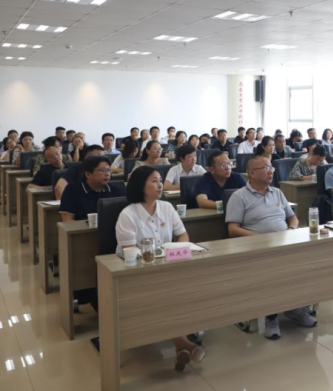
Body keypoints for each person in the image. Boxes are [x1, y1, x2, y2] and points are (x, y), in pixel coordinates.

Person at [115, 166, 205, 370]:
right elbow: (130, 251)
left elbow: (183, 235)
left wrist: (177, 251)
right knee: (165, 293)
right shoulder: (128, 215)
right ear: (141, 186)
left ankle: (182, 343)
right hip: (135, 272)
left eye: (160, 181)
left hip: (166, 266)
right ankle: (184, 343)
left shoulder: (166, 207)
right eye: (154, 181)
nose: (160, 185)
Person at [226, 156, 315, 339]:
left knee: (306, 262)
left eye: (271, 168)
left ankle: (296, 307)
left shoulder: (277, 192)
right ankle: (271, 316)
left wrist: (291, 230)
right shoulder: (239, 196)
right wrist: (260, 239)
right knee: (273, 268)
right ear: (252, 173)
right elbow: (232, 228)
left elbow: (293, 218)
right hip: (257, 248)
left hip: (284, 243)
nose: (271, 171)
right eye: (266, 168)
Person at [60, 156, 124, 222]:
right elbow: (67, 220)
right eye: (102, 171)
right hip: (82, 228)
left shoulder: (116, 191)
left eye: (108, 170)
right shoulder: (72, 190)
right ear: (88, 174)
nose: (107, 174)